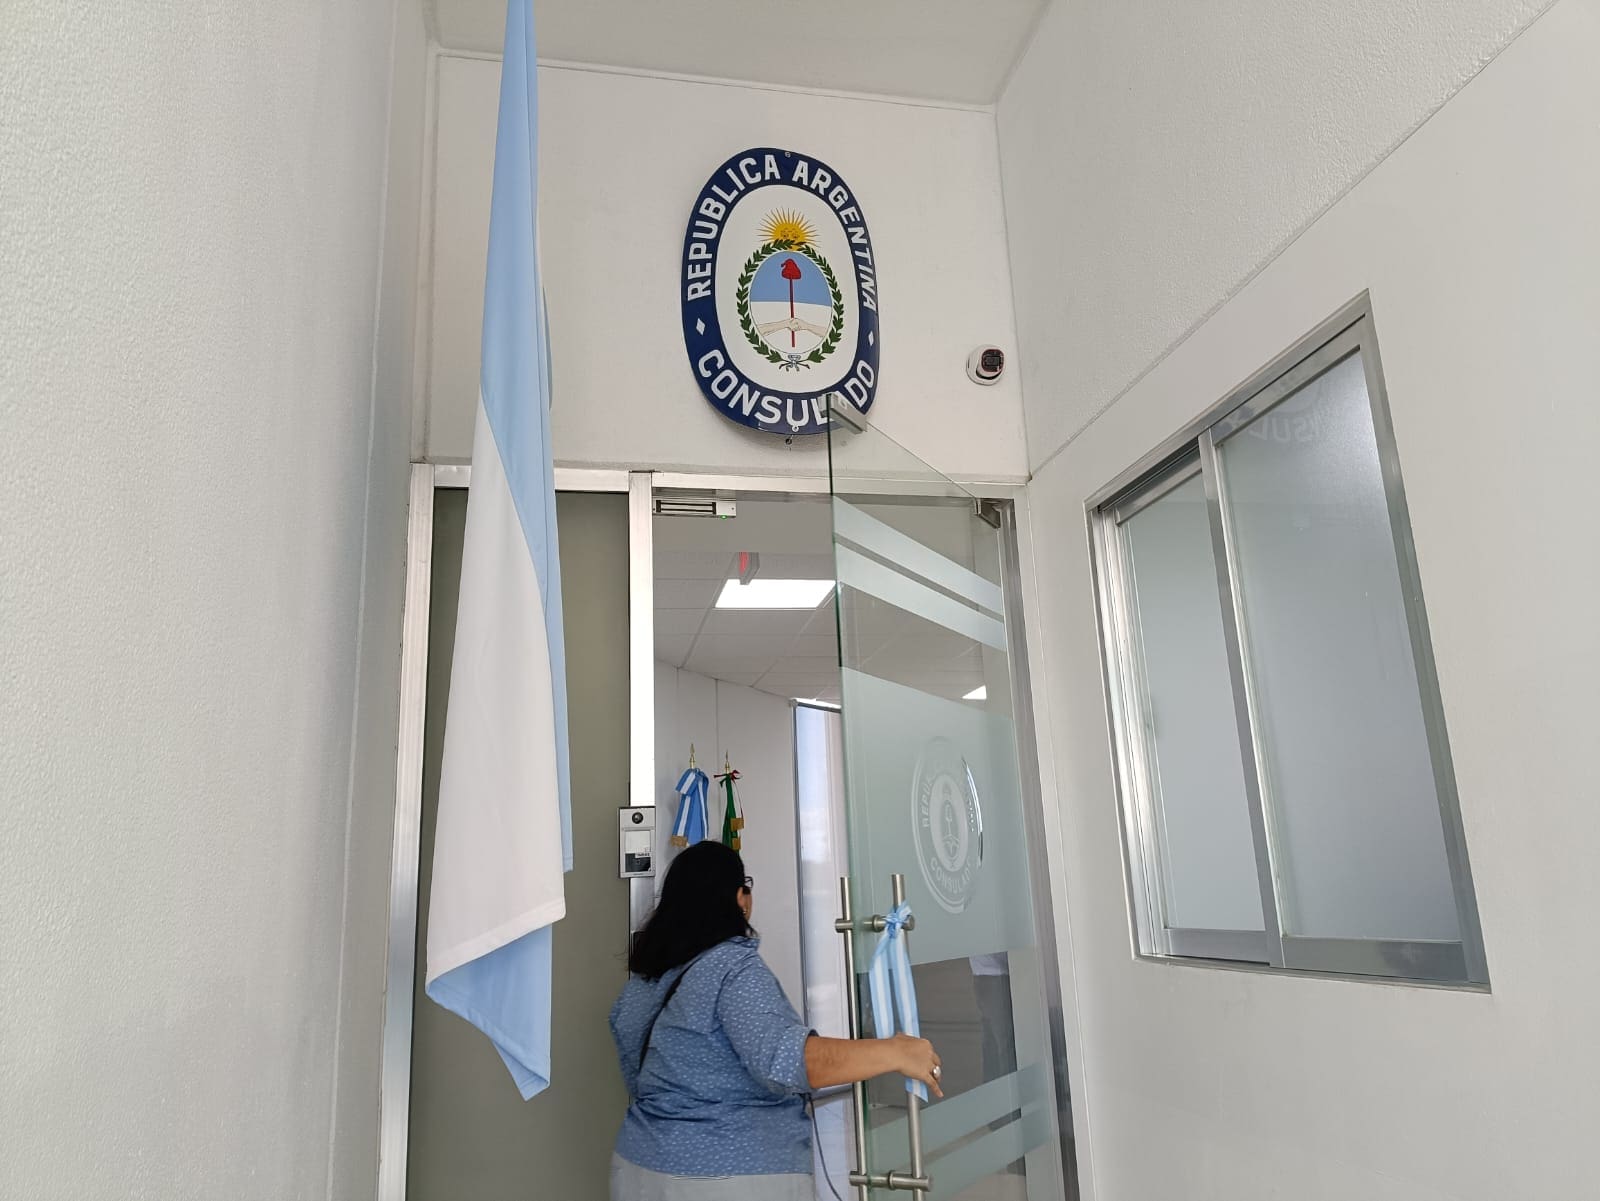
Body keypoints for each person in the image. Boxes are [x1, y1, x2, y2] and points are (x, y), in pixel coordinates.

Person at [609, 841, 942, 1201]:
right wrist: (895, 1051)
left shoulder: (643, 984)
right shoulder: (733, 968)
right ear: (739, 898)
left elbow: (639, 1075)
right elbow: (789, 1061)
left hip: (637, 1168)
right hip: (725, 1176)